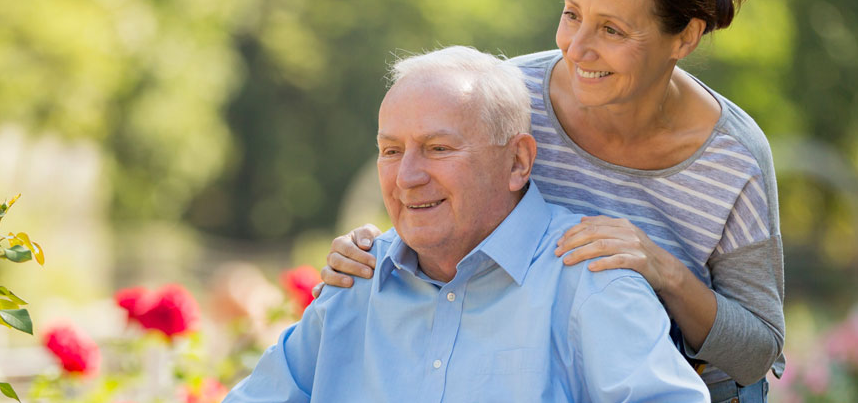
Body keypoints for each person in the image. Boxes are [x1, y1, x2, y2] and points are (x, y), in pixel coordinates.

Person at [317, 0, 785, 402]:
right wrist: (375, 248)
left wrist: (663, 271)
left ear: (685, 37)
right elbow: (434, 199)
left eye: (612, 30)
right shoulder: (508, 99)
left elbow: (758, 351)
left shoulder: (734, 158)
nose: (577, 48)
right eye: (571, 14)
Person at [226, 47, 708, 402]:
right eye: (391, 151)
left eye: (439, 148)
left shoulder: (589, 278)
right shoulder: (355, 280)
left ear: (518, 161)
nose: (408, 177)